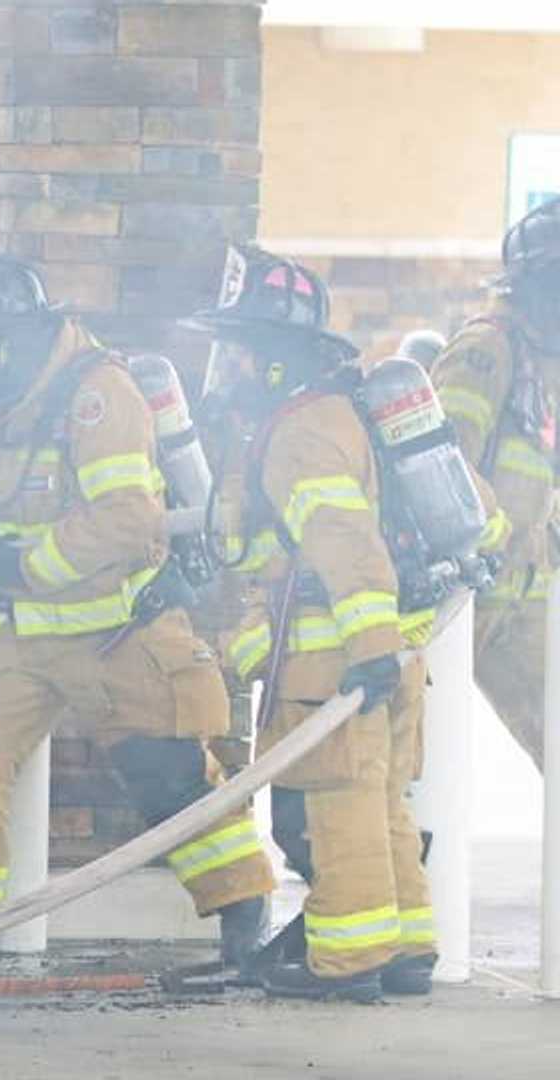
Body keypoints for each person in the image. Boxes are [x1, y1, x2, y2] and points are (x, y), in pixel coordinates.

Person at [0, 254, 275, 968]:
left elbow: (128, 518)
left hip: (117, 631)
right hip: (12, 636)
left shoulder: (99, 395)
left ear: (12, 343)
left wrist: (30, 564)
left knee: (168, 776)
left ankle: (244, 915)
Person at [190, 245, 442, 1001]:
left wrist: (366, 649)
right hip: (385, 654)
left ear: (273, 358)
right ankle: (407, 949)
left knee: (339, 808)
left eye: (237, 350)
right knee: (381, 803)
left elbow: (344, 541)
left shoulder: (300, 433)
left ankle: (348, 962)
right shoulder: (336, 411)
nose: (227, 368)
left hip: (334, 664)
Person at [429, 198, 560, 768]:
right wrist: (484, 546)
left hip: (524, 594)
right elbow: (443, 473)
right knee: (417, 752)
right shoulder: (486, 350)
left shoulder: (543, 361)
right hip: (466, 593)